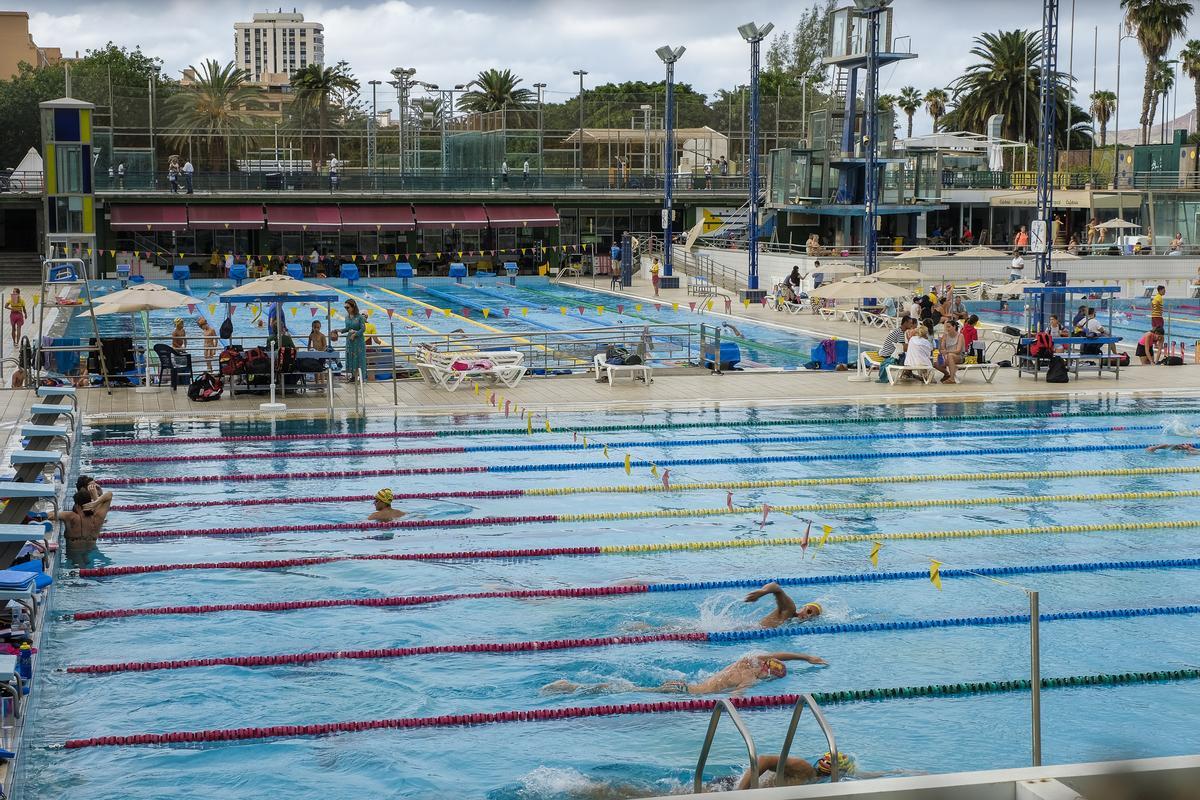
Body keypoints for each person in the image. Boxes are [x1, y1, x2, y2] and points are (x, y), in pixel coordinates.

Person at [542, 651, 827, 697]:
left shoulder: (747, 661)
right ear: (769, 673)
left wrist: (806, 658)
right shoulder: (750, 677)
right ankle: (569, 686)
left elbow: (779, 653)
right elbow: (738, 697)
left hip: (685, 685)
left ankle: (571, 685)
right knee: (628, 691)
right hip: (683, 691)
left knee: (631, 688)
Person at [48, 488, 114, 550]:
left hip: (75, 554)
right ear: (90, 502)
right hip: (91, 551)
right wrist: (96, 503)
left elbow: (48, 516)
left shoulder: (70, 516)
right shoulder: (98, 517)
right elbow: (109, 494)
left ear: (77, 505)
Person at [744, 581, 822, 628]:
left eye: (812, 616)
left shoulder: (791, 622)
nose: (808, 616)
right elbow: (775, 586)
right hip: (750, 629)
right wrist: (762, 592)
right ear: (803, 607)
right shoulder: (790, 609)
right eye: (809, 611)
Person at [332, 298, 366, 382]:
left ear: (353, 306)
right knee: (351, 358)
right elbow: (347, 328)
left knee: (358, 359)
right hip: (350, 341)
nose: (346, 309)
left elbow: (363, 329)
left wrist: (355, 334)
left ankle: (360, 376)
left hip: (358, 341)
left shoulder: (360, 317)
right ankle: (353, 377)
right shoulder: (347, 317)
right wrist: (339, 330)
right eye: (345, 308)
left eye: (348, 307)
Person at [877, 315, 914, 383]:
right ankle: (908, 372)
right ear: (905, 323)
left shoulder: (899, 330)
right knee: (907, 356)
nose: (912, 325)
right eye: (910, 323)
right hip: (888, 355)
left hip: (886, 352)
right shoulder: (900, 333)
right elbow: (903, 348)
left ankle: (908, 373)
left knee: (906, 355)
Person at [937, 318, 965, 384]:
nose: (947, 329)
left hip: (959, 357)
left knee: (950, 356)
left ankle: (952, 379)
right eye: (946, 327)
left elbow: (958, 350)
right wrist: (941, 341)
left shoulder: (960, 336)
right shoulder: (945, 335)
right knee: (935, 364)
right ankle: (947, 374)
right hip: (948, 356)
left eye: (949, 327)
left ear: (954, 327)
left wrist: (946, 352)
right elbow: (942, 349)